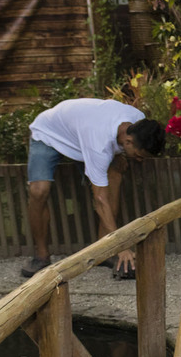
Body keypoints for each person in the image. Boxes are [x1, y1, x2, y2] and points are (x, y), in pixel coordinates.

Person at [22, 99, 165, 278]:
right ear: (128, 141)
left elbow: (115, 145)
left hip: (82, 134)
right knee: (38, 190)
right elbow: (99, 200)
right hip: (49, 134)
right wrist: (123, 245)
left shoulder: (139, 122)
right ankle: (41, 256)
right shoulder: (99, 144)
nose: (139, 161)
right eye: (138, 156)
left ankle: (105, 250)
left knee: (115, 174)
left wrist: (120, 154)